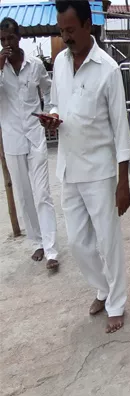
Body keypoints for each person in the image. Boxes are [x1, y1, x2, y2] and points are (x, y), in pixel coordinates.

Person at [41, 0, 130, 333]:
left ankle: (116, 303)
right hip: (68, 167)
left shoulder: (108, 69)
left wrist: (124, 182)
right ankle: (103, 289)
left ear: (88, 25)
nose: (65, 37)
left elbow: (121, 128)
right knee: (78, 243)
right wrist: (51, 118)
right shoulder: (61, 63)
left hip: (100, 171)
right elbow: (56, 102)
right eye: (61, 30)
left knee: (108, 240)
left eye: (70, 30)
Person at [0, 17, 59, 270]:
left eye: (10, 38)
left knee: (42, 192)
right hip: (12, 139)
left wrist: (49, 111)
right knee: (23, 195)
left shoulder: (35, 65)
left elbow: (48, 91)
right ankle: (36, 243)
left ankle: (52, 250)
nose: (6, 44)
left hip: (35, 137)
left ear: (19, 37)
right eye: (2, 40)